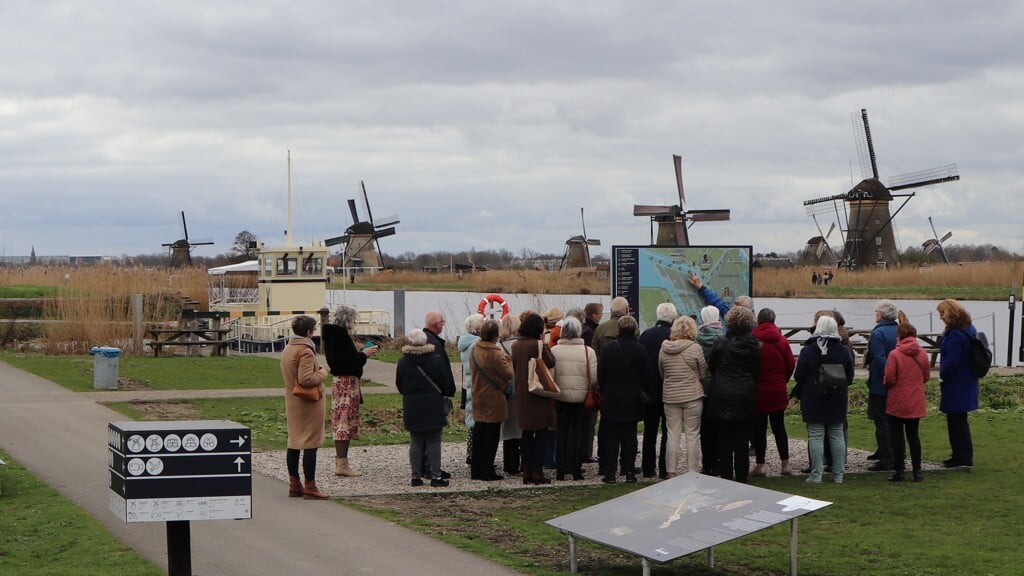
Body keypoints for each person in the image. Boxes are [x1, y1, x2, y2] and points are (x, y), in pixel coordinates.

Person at [793, 315, 854, 484]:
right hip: (837, 396)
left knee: (816, 435)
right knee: (836, 435)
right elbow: (850, 376)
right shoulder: (843, 350)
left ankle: (816, 474)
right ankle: (838, 474)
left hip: (813, 396)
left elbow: (798, 376)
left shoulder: (808, 350)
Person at [705, 306, 761, 483]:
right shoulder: (754, 345)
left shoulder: (720, 342)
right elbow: (757, 370)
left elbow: (712, 366)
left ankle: (727, 475)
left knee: (724, 440)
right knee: (742, 440)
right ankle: (742, 476)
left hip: (721, 393)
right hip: (745, 393)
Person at [322, 305, 379, 478]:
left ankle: (340, 461)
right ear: (348, 320)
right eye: (353, 320)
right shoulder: (341, 337)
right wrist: (364, 355)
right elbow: (349, 364)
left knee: (341, 420)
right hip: (347, 383)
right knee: (344, 423)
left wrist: (360, 353)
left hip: (340, 382)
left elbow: (342, 360)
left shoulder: (331, 335)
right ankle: (342, 463)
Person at [396, 328, 456, 487]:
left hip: (412, 404)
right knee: (434, 441)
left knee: (416, 441)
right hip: (433, 403)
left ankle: (416, 476)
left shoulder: (403, 362)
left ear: (410, 342)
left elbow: (400, 385)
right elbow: (444, 383)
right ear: (425, 342)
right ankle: (436, 477)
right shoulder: (435, 359)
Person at [281, 315, 330, 500]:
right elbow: (306, 379)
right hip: (308, 402)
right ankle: (310, 485)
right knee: (310, 443)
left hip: (292, 399)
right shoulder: (306, 351)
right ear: (309, 332)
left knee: (294, 441)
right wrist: (322, 373)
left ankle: (294, 483)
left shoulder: (289, 348)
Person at [597, 315, 648, 483]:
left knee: (612, 436)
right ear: (634, 330)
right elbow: (645, 375)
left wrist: (605, 390)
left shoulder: (609, 349)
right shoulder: (640, 349)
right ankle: (629, 471)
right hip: (632, 396)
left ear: (618, 329)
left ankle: (610, 472)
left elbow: (601, 374)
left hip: (612, 396)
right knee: (630, 436)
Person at [658, 315, 708, 476]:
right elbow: (703, 373)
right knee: (692, 434)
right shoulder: (695, 348)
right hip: (692, 396)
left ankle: (671, 470)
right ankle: (692, 470)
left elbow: (662, 373)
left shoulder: (664, 348)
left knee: (673, 434)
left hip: (671, 396)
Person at [512, 312, 557, 484]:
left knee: (526, 432)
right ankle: (538, 471)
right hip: (538, 393)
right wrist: (544, 343)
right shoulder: (538, 344)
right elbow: (551, 362)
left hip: (522, 393)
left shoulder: (515, 345)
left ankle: (526, 470)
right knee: (541, 433)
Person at [750, 308, 796, 477]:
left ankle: (760, 465)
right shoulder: (782, 341)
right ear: (774, 320)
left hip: (758, 390)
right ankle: (785, 464)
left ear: (758, 321)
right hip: (777, 390)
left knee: (759, 429)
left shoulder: (753, 340)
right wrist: (782, 379)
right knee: (779, 428)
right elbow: (791, 363)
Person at [884, 315, 929, 482]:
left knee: (897, 437)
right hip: (915, 399)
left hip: (897, 399)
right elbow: (926, 376)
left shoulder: (895, 354)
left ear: (899, 336)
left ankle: (899, 470)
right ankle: (918, 470)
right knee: (914, 436)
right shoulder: (923, 353)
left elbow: (889, 378)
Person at [551, 317, 597, 481]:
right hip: (581, 398)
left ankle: (561, 469)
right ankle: (576, 468)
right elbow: (594, 379)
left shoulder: (555, 350)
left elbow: (551, 376)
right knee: (578, 433)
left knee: (562, 432)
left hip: (560, 397)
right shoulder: (588, 351)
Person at [936, 299, 980, 468]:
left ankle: (962, 456)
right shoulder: (968, 328)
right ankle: (961, 454)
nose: (940, 317)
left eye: (942, 314)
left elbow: (952, 361)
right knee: (959, 419)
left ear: (950, 314)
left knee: (956, 420)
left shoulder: (955, 334)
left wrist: (943, 375)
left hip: (956, 382)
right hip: (967, 380)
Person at [469, 319, 513, 481]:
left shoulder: (475, 349)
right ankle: (487, 470)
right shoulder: (495, 353)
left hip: (478, 395)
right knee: (492, 435)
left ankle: (476, 470)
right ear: (495, 335)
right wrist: (508, 360)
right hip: (493, 397)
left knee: (479, 433)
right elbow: (508, 374)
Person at [638, 302, 677, 478]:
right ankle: (664, 468)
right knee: (668, 432)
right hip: (668, 389)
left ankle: (647, 468)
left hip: (649, 390)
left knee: (650, 431)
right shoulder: (673, 336)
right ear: (673, 318)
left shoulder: (645, 335)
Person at [421, 311, 457, 480]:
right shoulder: (435, 344)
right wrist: (449, 389)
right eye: (443, 322)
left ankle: (421, 467)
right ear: (436, 324)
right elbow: (442, 370)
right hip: (434, 395)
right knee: (432, 435)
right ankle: (430, 468)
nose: (443, 324)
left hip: (421, 395)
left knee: (420, 435)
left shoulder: (422, 340)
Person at [865, 300, 900, 472]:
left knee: (881, 419)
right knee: (892, 419)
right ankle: (889, 451)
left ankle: (887, 457)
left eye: (877, 312)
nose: (875, 314)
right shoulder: (899, 330)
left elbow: (879, 358)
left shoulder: (878, 334)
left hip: (881, 382)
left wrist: (889, 373)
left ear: (882, 314)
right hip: (897, 382)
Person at [696, 305, 724, 476]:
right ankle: (720, 462)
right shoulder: (723, 339)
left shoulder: (697, 339)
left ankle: (708, 463)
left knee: (704, 429)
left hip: (702, 388)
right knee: (719, 428)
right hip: (719, 387)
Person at [458, 313, 486, 467]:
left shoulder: (465, 343)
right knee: (477, 422)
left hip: (470, 385)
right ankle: (476, 455)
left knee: (471, 421)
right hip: (478, 385)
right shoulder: (477, 345)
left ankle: (471, 453)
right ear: (477, 328)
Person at [498, 313, 523, 475]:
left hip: (505, 390)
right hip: (520, 388)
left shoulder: (498, 347)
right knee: (521, 427)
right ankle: (522, 462)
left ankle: (510, 464)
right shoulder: (521, 345)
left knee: (508, 431)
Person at [580, 301, 604, 464]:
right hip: (589, 380)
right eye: (600, 313)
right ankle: (586, 452)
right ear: (594, 315)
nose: (601, 316)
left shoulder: (584, 329)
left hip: (581, 380)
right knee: (589, 419)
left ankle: (583, 451)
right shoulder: (591, 332)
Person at [688, 271, 753, 321]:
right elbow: (716, 302)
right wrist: (701, 287)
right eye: (735, 303)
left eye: (737, 304)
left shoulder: (753, 332)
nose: (734, 306)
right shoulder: (730, 314)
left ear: (746, 311)